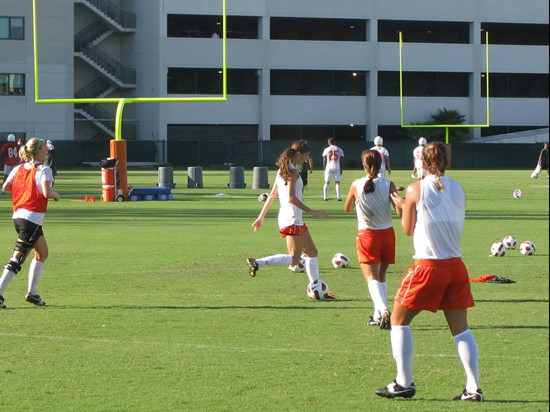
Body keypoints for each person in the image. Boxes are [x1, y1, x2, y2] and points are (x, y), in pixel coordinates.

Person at [375, 142, 482, 402]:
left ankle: (403, 381)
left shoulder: (415, 189)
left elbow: (408, 229)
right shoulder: (459, 188)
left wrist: (401, 205)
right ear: (448, 162)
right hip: (456, 266)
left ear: (421, 162)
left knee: (399, 322)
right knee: (461, 330)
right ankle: (473, 387)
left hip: (428, 266)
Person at [247, 140, 333, 297]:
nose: (306, 159)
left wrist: (261, 217)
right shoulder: (292, 172)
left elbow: (272, 195)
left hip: (292, 218)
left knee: (312, 252)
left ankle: (316, 287)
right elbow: (292, 198)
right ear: (298, 154)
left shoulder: (283, 170)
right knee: (294, 259)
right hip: (291, 218)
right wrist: (313, 211)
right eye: (306, 156)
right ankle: (257, 262)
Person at [344, 150, 402, 330]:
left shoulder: (356, 185)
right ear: (381, 165)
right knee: (381, 276)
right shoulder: (389, 184)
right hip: (387, 234)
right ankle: (378, 315)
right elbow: (400, 212)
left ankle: (383, 309)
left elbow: (347, 208)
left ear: (364, 165)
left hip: (368, 235)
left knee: (371, 278)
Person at [0, 138, 60, 309]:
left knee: (42, 253)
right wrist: (56, 195)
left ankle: (32, 294)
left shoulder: (19, 168)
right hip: (31, 218)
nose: (47, 152)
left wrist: (25, 189)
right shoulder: (44, 169)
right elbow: (47, 192)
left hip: (19, 216)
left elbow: (6, 186)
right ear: (38, 151)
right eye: (45, 150)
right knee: (18, 258)